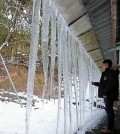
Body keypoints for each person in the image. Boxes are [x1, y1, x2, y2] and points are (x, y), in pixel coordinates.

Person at [91, 59, 119, 134]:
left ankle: (110, 129)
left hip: (109, 95)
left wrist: (105, 93)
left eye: (102, 64)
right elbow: (104, 84)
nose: (102, 65)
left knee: (109, 111)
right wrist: (95, 83)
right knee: (109, 111)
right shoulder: (108, 72)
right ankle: (110, 126)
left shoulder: (111, 72)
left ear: (106, 64)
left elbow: (111, 84)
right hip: (108, 95)